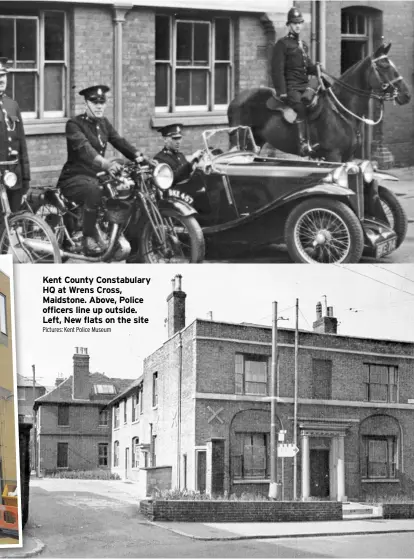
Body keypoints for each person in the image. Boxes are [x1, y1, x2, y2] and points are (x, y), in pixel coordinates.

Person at [57, 85, 144, 255]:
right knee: (94, 190)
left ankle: (116, 234)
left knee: (124, 189)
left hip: (97, 175)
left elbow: (119, 141)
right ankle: (88, 236)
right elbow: (85, 149)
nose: (99, 106)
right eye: (94, 102)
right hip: (75, 177)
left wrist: (139, 156)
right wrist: (106, 164)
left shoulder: (104, 123)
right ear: (86, 103)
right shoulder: (74, 124)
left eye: (102, 102)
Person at [271, 7, 319, 156]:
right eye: (294, 23)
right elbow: (276, 70)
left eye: (300, 23)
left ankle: (317, 138)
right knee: (301, 108)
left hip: (304, 86)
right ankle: (303, 143)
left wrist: (317, 68)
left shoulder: (303, 45)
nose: (298, 26)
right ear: (289, 25)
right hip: (292, 87)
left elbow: (308, 67)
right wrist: (282, 92)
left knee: (319, 104)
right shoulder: (282, 44)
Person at [0, 57, 30, 212]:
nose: (1, 80)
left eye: (3, 75)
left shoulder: (12, 105)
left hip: (14, 176)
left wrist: (26, 179)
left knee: (14, 220)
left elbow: (21, 144)